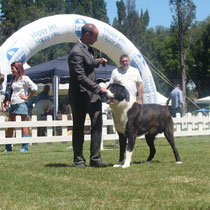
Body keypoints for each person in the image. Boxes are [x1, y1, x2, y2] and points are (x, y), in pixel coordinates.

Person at [68, 23, 108, 168]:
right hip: (79, 95)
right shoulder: (76, 52)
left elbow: (88, 63)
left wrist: (98, 61)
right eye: (95, 37)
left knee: (97, 124)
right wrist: (99, 89)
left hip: (93, 95)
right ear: (87, 35)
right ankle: (79, 160)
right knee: (78, 127)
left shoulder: (88, 49)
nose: (96, 40)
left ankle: (95, 159)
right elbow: (80, 77)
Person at [1, 61, 38, 153]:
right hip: (13, 104)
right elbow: (10, 91)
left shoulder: (25, 78)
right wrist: (7, 100)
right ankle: (8, 146)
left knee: (23, 125)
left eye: (13, 68)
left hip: (21, 103)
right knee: (10, 125)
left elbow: (34, 88)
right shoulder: (13, 78)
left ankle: (24, 147)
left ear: (18, 68)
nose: (11, 70)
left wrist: (27, 97)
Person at [109, 54, 143, 148]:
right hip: (119, 104)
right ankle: (119, 142)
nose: (125, 62)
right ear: (120, 62)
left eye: (126, 61)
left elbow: (140, 85)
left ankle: (131, 142)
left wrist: (139, 98)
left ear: (129, 61)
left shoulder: (135, 71)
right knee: (119, 123)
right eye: (123, 61)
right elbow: (110, 86)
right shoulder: (115, 72)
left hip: (132, 103)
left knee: (132, 124)